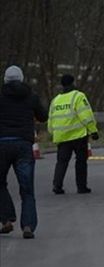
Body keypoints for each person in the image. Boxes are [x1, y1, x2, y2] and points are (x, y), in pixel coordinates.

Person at [0, 65, 48, 239]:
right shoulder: (31, 97)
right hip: (24, 146)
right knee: (27, 189)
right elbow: (43, 116)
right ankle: (28, 226)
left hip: (2, 144)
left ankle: (6, 219)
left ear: (5, 80)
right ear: (21, 79)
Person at [49, 75, 99, 194]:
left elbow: (51, 121)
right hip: (78, 136)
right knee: (81, 161)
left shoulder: (55, 100)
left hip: (62, 137)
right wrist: (93, 131)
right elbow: (86, 115)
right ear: (73, 82)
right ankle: (81, 187)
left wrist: (54, 133)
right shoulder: (78, 96)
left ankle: (57, 186)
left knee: (61, 162)